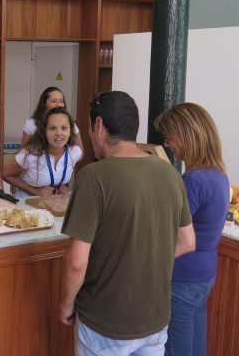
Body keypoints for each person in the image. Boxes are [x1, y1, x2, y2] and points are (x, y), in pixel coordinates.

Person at [59, 91, 196, 355]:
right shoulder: (170, 173)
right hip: (154, 319)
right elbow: (187, 242)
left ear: (98, 125)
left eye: (88, 128)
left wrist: (65, 305)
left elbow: (76, 262)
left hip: (106, 320)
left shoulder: (94, 176)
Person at [155, 103, 229, 356]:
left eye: (169, 137)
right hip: (203, 275)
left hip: (182, 277)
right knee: (196, 346)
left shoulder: (193, 181)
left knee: (176, 349)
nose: (167, 144)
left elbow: (167, 229)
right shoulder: (218, 173)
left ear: (186, 134)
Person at [2, 107, 82, 198]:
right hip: (27, 203)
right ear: (44, 131)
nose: (59, 133)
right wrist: (35, 191)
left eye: (64, 128)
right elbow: (6, 174)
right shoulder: (30, 154)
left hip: (54, 204)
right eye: (52, 128)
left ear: (70, 131)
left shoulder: (75, 152)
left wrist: (65, 188)